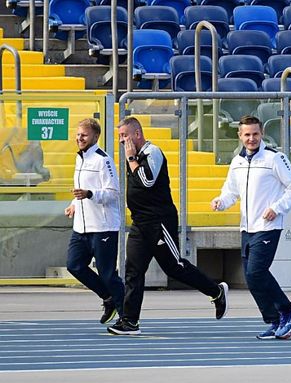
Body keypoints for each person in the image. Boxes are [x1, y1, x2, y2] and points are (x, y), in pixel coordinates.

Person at [107, 117, 228, 335]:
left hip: (158, 221)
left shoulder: (152, 152)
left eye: (124, 136)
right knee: (133, 271)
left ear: (137, 134)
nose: (122, 141)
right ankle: (130, 321)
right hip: (139, 222)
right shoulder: (132, 156)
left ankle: (216, 291)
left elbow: (146, 181)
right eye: (120, 137)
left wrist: (131, 158)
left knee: (174, 267)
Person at [211, 116, 291, 340]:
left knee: (256, 272)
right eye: (247, 135)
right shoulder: (237, 162)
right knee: (251, 278)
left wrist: (277, 208)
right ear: (240, 136)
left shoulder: (275, 158)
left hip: (268, 225)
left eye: (255, 134)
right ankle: (273, 320)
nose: (251, 139)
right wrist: (221, 202)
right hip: (247, 227)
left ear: (261, 134)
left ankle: (288, 310)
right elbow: (230, 192)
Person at [64, 118, 124, 324]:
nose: (79, 138)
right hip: (81, 226)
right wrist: (74, 202)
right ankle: (108, 299)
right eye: (78, 134)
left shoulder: (103, 160)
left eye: (84, 135)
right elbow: (81, 187)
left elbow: (113, 193)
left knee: (107, 274)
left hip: (103, 226)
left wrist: (90, 194)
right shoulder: (79, 158)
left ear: (95, 136)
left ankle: (127, 316)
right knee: (74, 265)